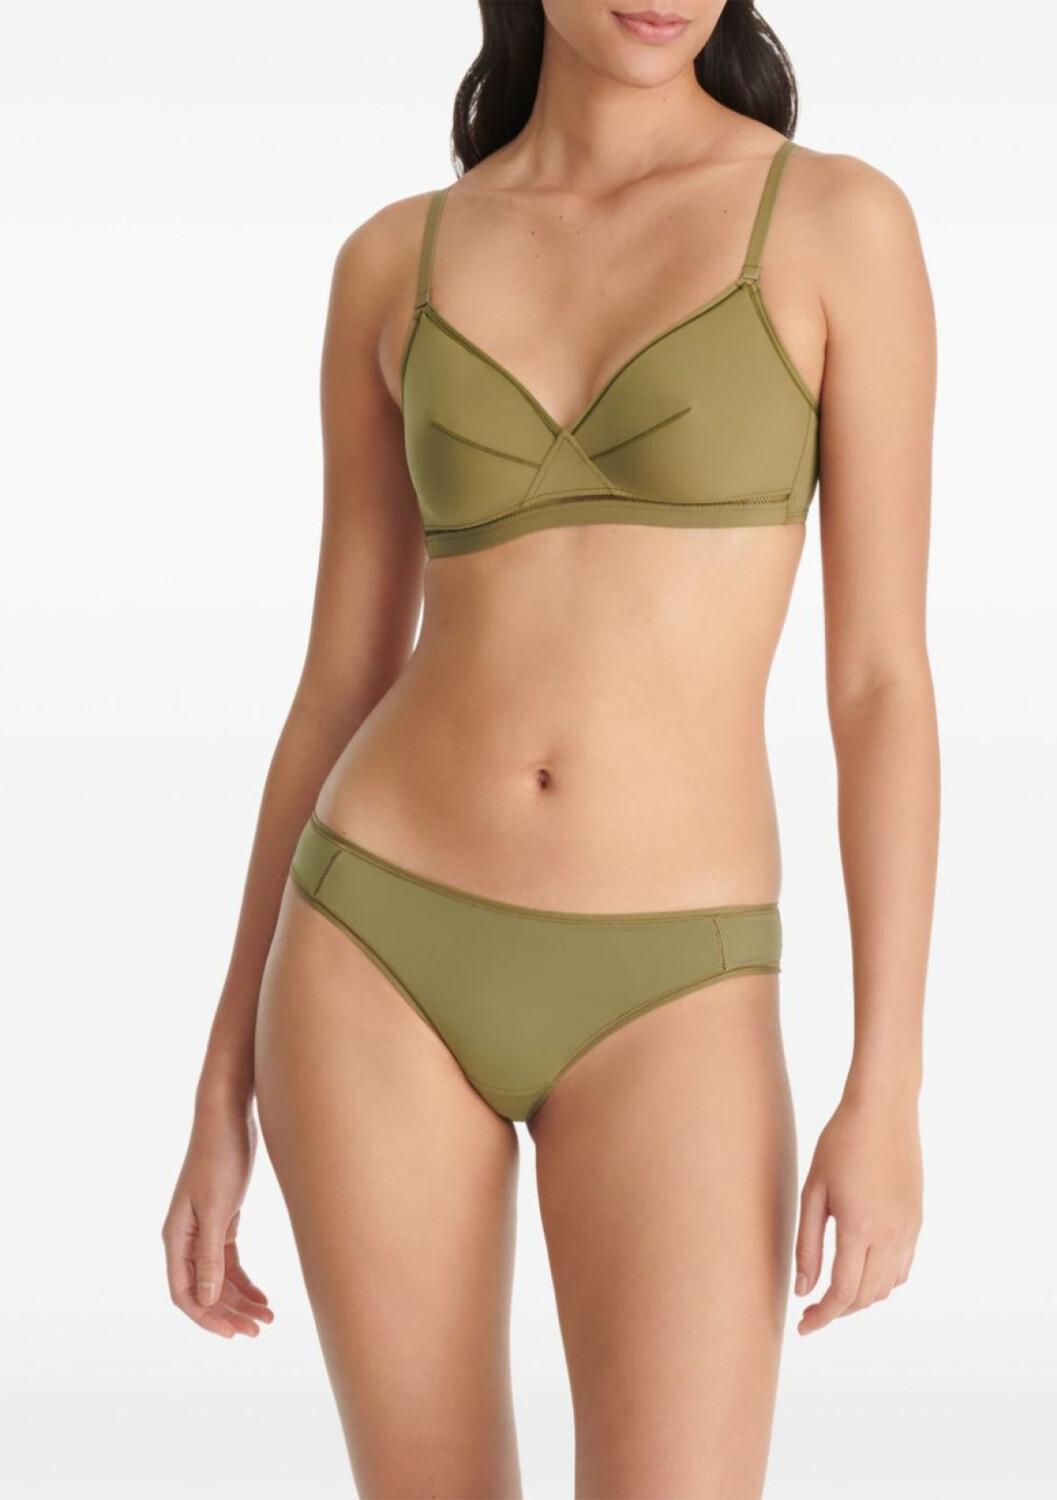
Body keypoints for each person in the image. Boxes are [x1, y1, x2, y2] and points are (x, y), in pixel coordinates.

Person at [162, 2, 938, 1495]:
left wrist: (887, 1083)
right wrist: (218, 1091)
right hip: (375, 947)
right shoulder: (394, 258)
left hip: (679, 980)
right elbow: (334, 682)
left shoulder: (835, 224)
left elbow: (881, 686)